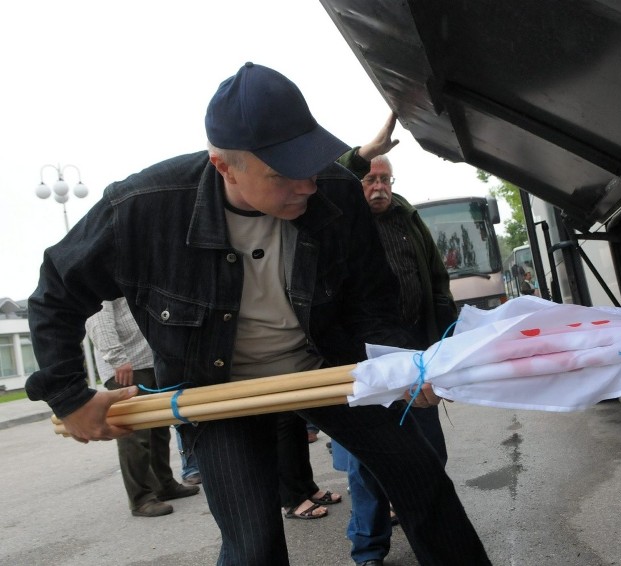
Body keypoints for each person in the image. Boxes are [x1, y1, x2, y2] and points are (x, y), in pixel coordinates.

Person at [26, 62, 490, 566]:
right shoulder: (144, 207)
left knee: (423, 482)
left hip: (329, 367)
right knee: (253, 545)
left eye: (310, 164)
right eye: (283, 173)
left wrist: (402, 362)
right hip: (214, 388)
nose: (307, 185)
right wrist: (68, 394)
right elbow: (56, 290)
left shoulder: (335, 191)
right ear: (225, 166)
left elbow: (372, 299)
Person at [334, 132, 457, 565]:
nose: (379, 187)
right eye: (370, 178)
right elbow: (330, 173)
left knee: (429, 451)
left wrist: (445, 340)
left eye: (385, 179)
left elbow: (437, 280)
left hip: (417, 357)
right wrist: (362, 154)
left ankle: (432, 537)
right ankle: (368, 549)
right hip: (364, 360)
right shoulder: (339, 219)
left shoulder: (408, 217)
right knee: (367, 463)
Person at [85, 298, 200, 517]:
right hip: (126, 366)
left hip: (150, 360)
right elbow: (98, 318)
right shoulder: (105, 272)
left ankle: (164, 485)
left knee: (158, 428)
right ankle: (141, 498)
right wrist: (116, 357)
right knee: (134, 435)